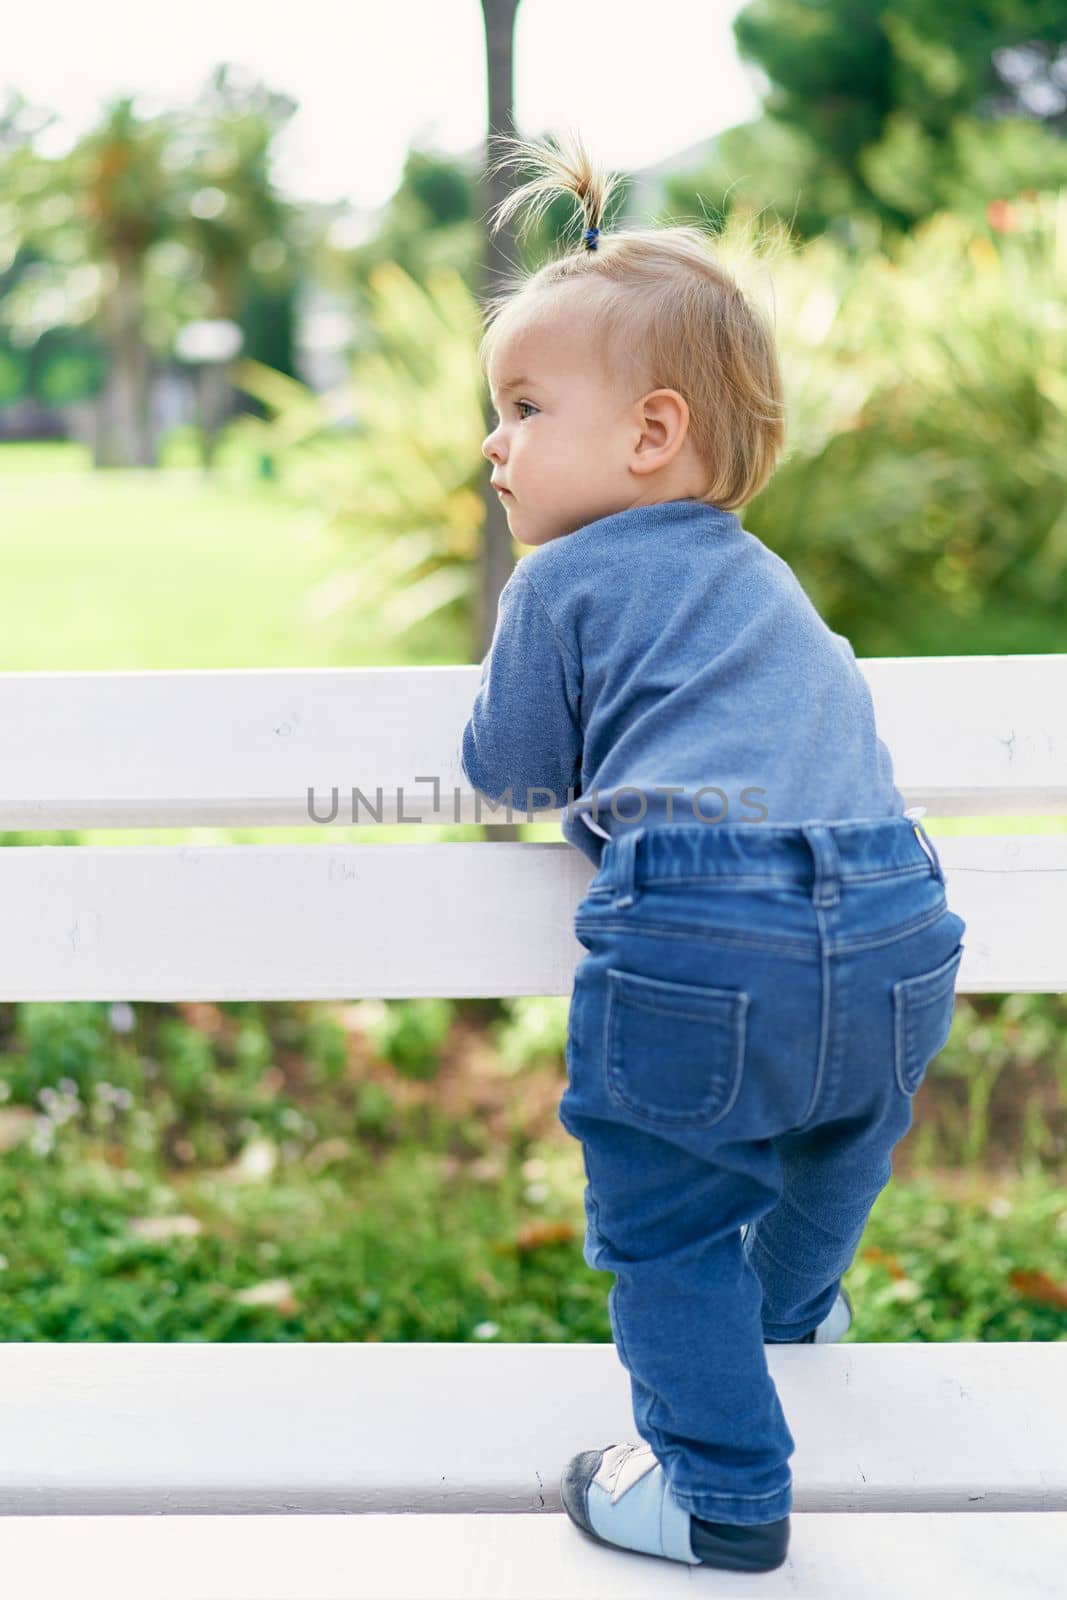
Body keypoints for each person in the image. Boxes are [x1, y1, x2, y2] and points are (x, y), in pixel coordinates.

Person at [460, 127, 966, 1575]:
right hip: (894, 915)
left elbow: (508, 771)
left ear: (650, 435)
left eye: (523, 406)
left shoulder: (561, 582)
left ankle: (722, 1490)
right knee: (838, 1137)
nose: (494, 442)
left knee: (666, 1221)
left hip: (703, 923)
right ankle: (795, 1312)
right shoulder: (768, 579)